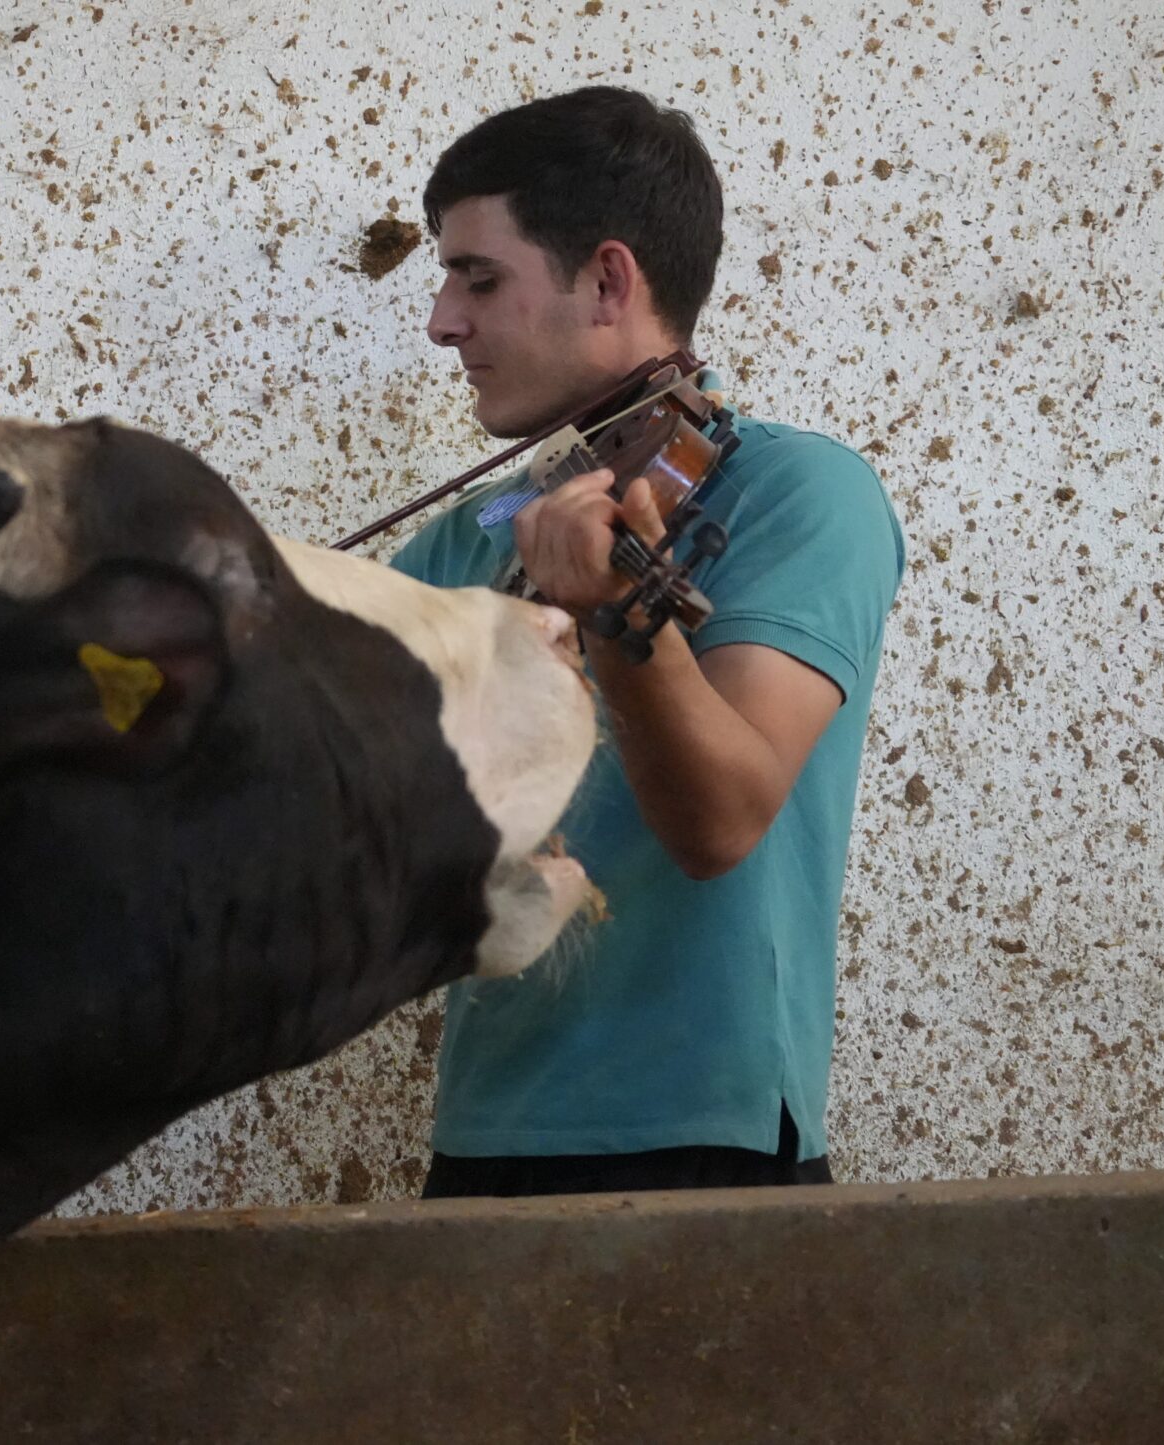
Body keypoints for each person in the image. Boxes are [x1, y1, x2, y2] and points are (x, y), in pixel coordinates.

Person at [387, 86, 906, 1197]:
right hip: (484, 1130)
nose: (442, 320)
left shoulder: (800, 494)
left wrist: (621, 614)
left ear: (610, 281)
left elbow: (721, 818)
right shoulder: (474, 537)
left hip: (696, 1136)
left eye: (478, 278)